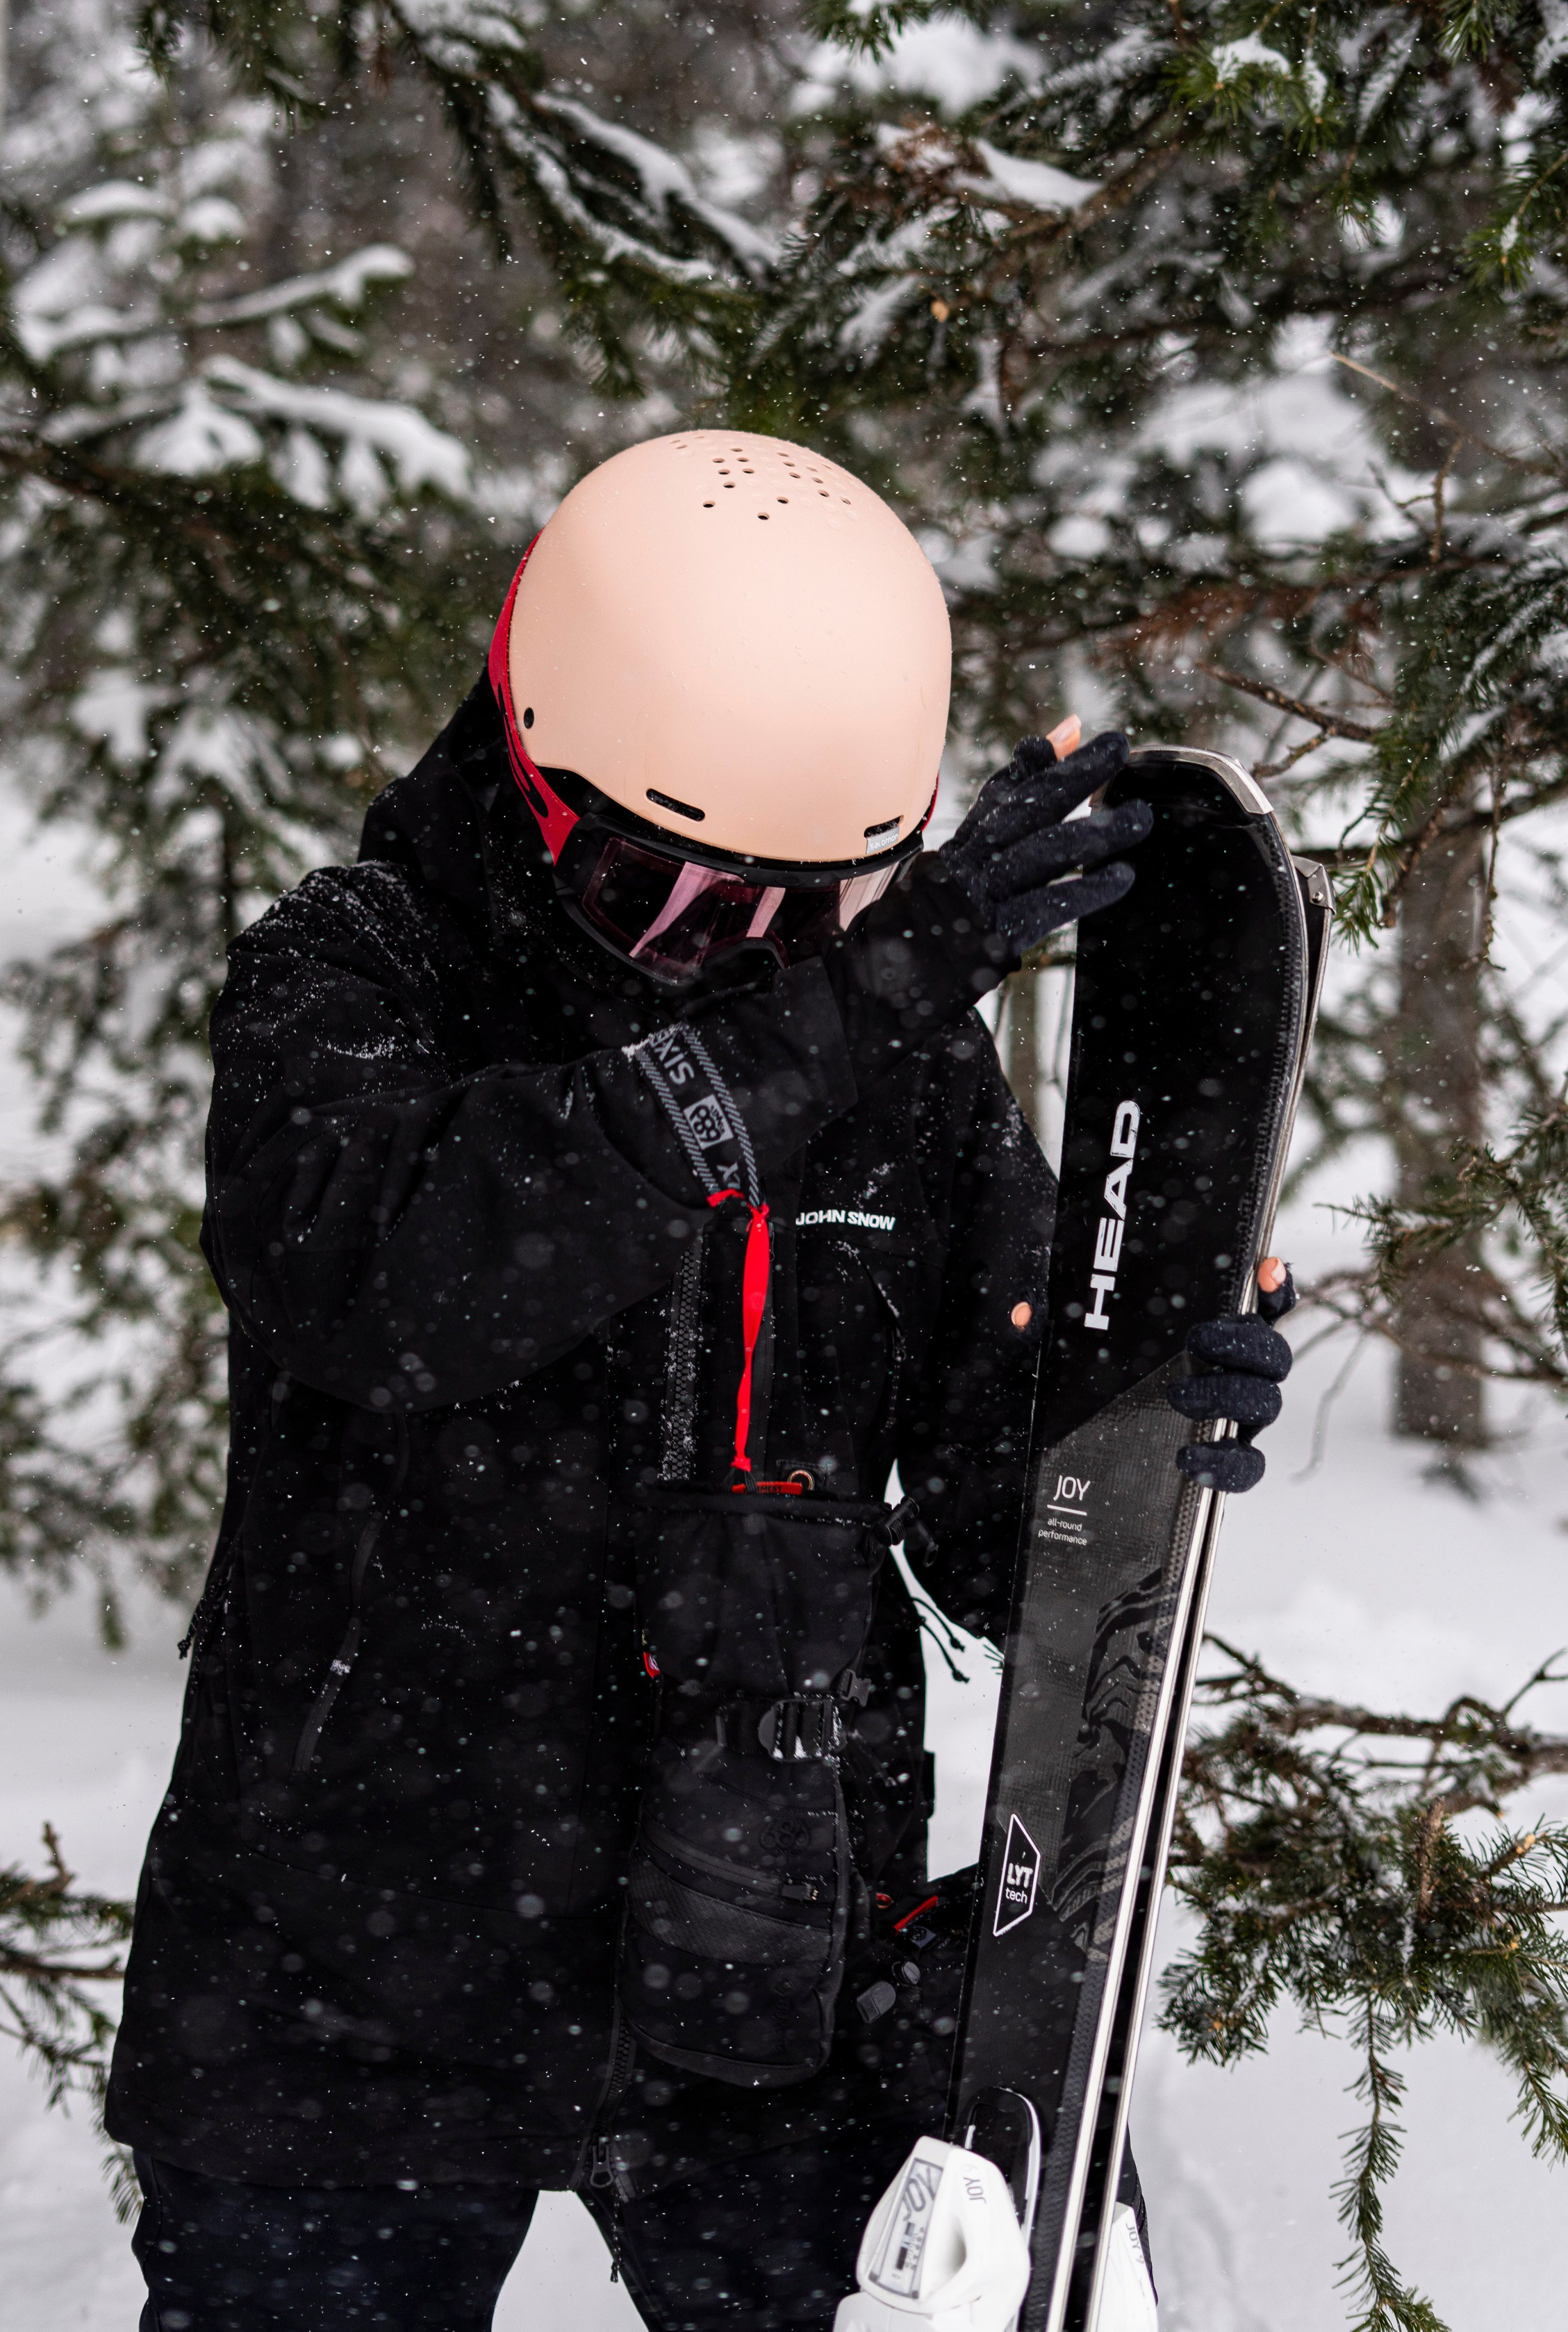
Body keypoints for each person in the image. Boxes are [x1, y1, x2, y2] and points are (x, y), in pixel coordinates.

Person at [106, 431, 1295, 2331]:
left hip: (765, 1956)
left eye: (801, 903)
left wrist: (1150, 1416)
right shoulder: (354, 978)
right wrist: (861, 996)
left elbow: (1004, 1540)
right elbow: (407, 1285)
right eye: (668, 893)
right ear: (527, 766)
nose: (734, 957)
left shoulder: (894, 1055)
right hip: (351, 1967)